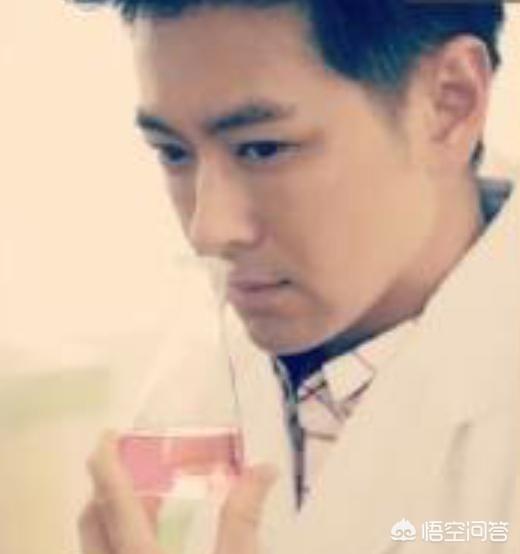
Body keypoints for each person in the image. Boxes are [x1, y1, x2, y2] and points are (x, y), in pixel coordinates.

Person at [74, 1, 519, 552]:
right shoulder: (184, 399)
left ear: (448, 103)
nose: (208, 230)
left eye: (263, 149)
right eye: (172, 152)